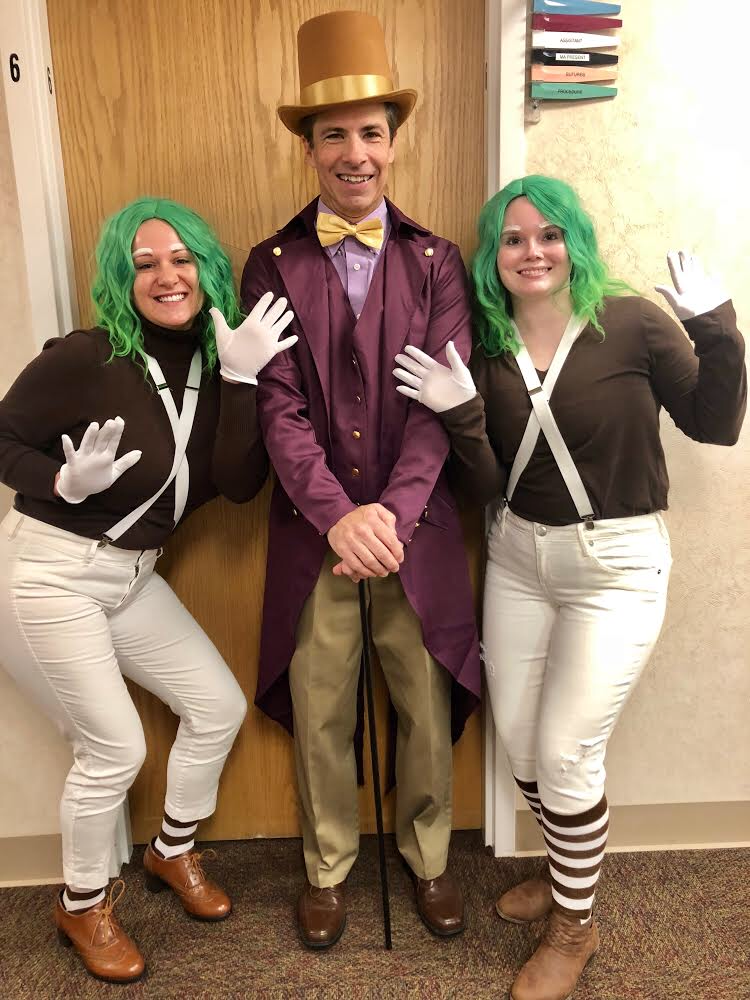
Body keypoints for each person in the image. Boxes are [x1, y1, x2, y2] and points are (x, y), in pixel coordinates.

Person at [393, 174, 746, 1000]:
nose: (532, 252)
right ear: (493, 255)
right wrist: (461, 414)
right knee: (521, 742)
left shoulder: (629, 322)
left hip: (615, 566)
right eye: (513, 239)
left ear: (574, 242)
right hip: (519, 558)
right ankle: (566, 873)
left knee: (565, 752)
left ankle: (574, 926)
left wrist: (718, 328)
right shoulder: (485, 342)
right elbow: (485, 485)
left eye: (549, 235)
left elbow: (717, 425)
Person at [0, 196, 296, 983]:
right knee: (115, 750)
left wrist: (241, 378)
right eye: (144, 264)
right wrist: (58, 482)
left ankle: (172, 850)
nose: (167, 276)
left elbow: (238, 484)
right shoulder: (86, 357)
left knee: (218, 706)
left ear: (206, 268)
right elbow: (2, 436)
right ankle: (81, 904)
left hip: (132, 576)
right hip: (51, 571)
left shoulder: (221, 362)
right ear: (121, 280)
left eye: (181, 258)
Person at [239, 10, 481, 949]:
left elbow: (439, 406)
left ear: (393, 141)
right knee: (321, 707)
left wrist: (392, 515)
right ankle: (328, 867)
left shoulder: (438, 262)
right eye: (333, 135)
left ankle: (429, 858)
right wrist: (339, 518)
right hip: (317, 540)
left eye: (371, 133)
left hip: (416, 535)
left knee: (422, 703)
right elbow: (278, 408)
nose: (355, 153)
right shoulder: (270, 264)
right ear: (308, 149)